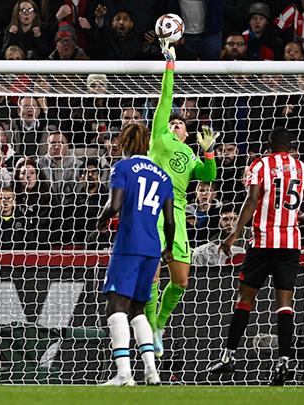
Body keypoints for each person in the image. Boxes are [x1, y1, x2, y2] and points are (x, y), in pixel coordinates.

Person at [208, 127, 304, 386]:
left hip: (261, 243)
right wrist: (298, 219)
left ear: (268, 145)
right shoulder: (302, 168)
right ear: (291, 146)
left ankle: (228, 356)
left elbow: (252, 199)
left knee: (245, 300)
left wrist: (234, 234)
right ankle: (284, 362)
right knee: (284, 303)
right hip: (289, 244)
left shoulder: (260, 165)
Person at [144, 39, 217, 359]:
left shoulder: (189, 154)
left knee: (182, 280)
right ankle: (147, 329)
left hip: (178, 214)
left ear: (187, 134)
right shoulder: (159, 138)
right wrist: (170, 65)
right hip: (152, 211)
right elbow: (166, 97)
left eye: (180, 124)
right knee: (152, 276)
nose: (175, 124)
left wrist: (209, 152)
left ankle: (159, 325)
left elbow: (209, 177)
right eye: (172, 122)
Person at [96, 123, 175, 386]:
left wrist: (99, 221)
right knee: (138, 309)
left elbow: (114, 204)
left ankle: (123, 374)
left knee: (116, 305)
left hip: (129, 244)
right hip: (153, 248)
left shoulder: (122, 168)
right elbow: (171, 221)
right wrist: (168, 249)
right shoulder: (163, 176)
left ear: (125, 144)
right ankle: (151, 371)